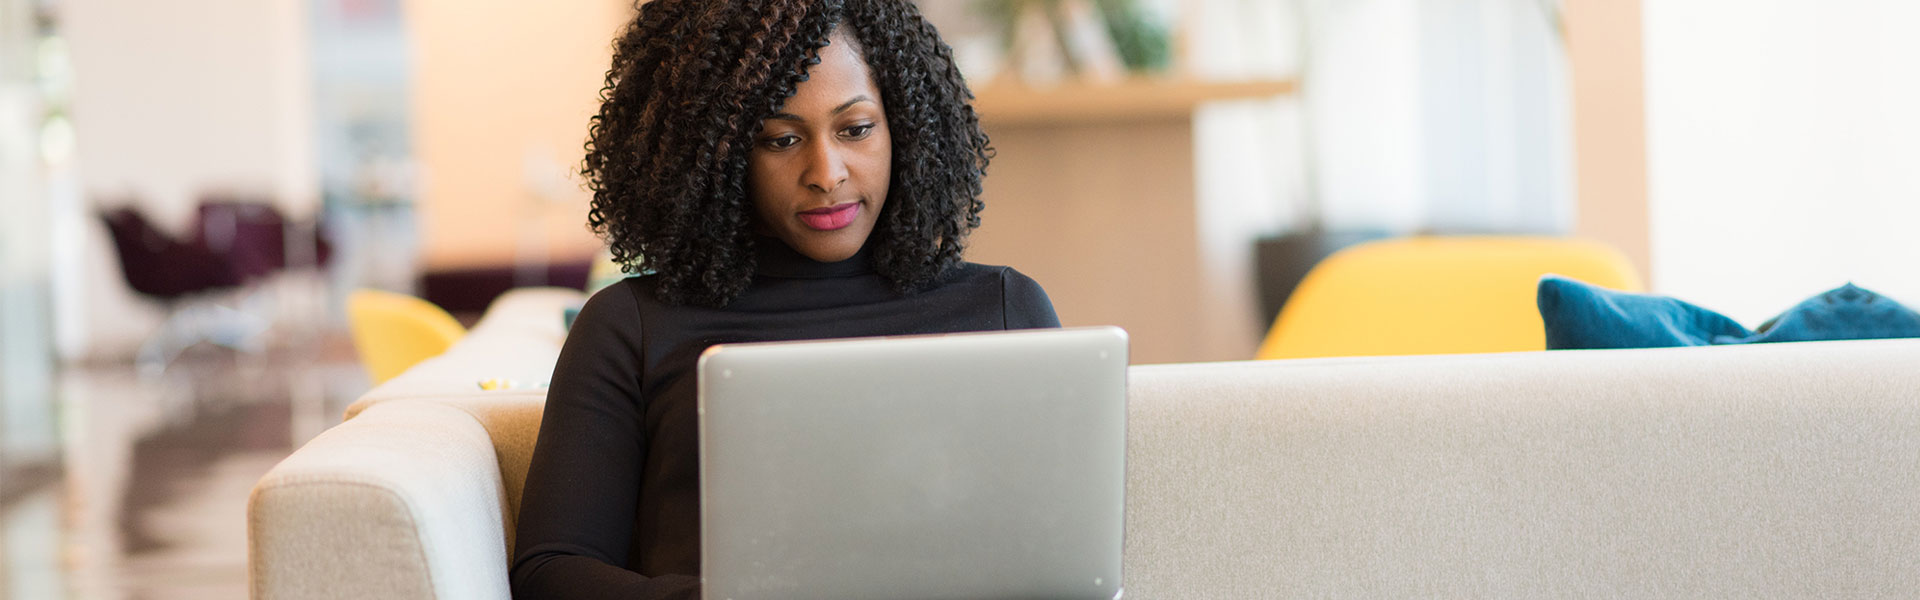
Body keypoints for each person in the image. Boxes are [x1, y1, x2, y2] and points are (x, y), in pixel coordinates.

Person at [509, 1, 1059, 598]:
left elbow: (1063, 554)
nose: (826, 172)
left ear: (905, 123)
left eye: (855, 129)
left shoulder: (1006, 309)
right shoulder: (630, 327)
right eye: (781, 139)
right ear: (714, 151)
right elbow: (552, 572)